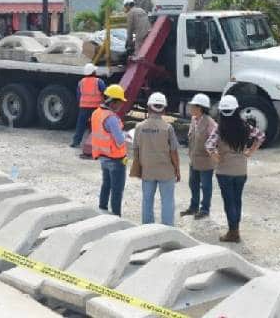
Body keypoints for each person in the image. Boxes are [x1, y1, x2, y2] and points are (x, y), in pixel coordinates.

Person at [206, 95, 265, 243]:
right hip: (241, 170)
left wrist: (216, 157)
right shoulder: (245, 127)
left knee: (229, 202)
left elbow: (209, 146)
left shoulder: (220, 129)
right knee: (237, 200)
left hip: (224, 171)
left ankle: (233, 233)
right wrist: (250, 151)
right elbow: (261, 136)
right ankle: (235, 230)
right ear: (236, 110)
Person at [133, 92, 181, 226]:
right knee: (167, 201)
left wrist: (138, 169)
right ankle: (167, 228)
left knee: (147, 200)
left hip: (147, 170)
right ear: (164, 109)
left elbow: (136, 150)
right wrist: (177, 170)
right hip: (166, 171)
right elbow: (173, 152)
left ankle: (147, 228)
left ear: (148, 107)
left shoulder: (139, 127)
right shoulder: (168, 128)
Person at [91, 84, 129, 216]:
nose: (120, 105)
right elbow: (119, 140)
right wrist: (126, 135)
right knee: (117, 190)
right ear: (112, 102)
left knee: (106, 185)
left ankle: (102, 210)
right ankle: (116, 217)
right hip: (115, 159)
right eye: (119, 102)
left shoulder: (97, 113)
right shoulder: (111, 118)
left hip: (103, 156)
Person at [180, 93, 216, 219]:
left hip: (206, 162)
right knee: (193, 184)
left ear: (200, 108)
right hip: (194, 160)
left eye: (193, 106)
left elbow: (216, 140)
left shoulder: (210, 123)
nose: (190, 108)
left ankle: (205, 209)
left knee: (206, 186)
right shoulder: (194, 120)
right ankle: (193, 207)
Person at [71, 63, 105, 148]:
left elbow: (79, 95)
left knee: (80, 125)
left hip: (84, 107)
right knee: (96, 126)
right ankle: (95, 143)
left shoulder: (81, 82)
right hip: (96, 108)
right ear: (93, 72)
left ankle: (76, 142)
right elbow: (105, 93)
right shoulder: (99, 81)